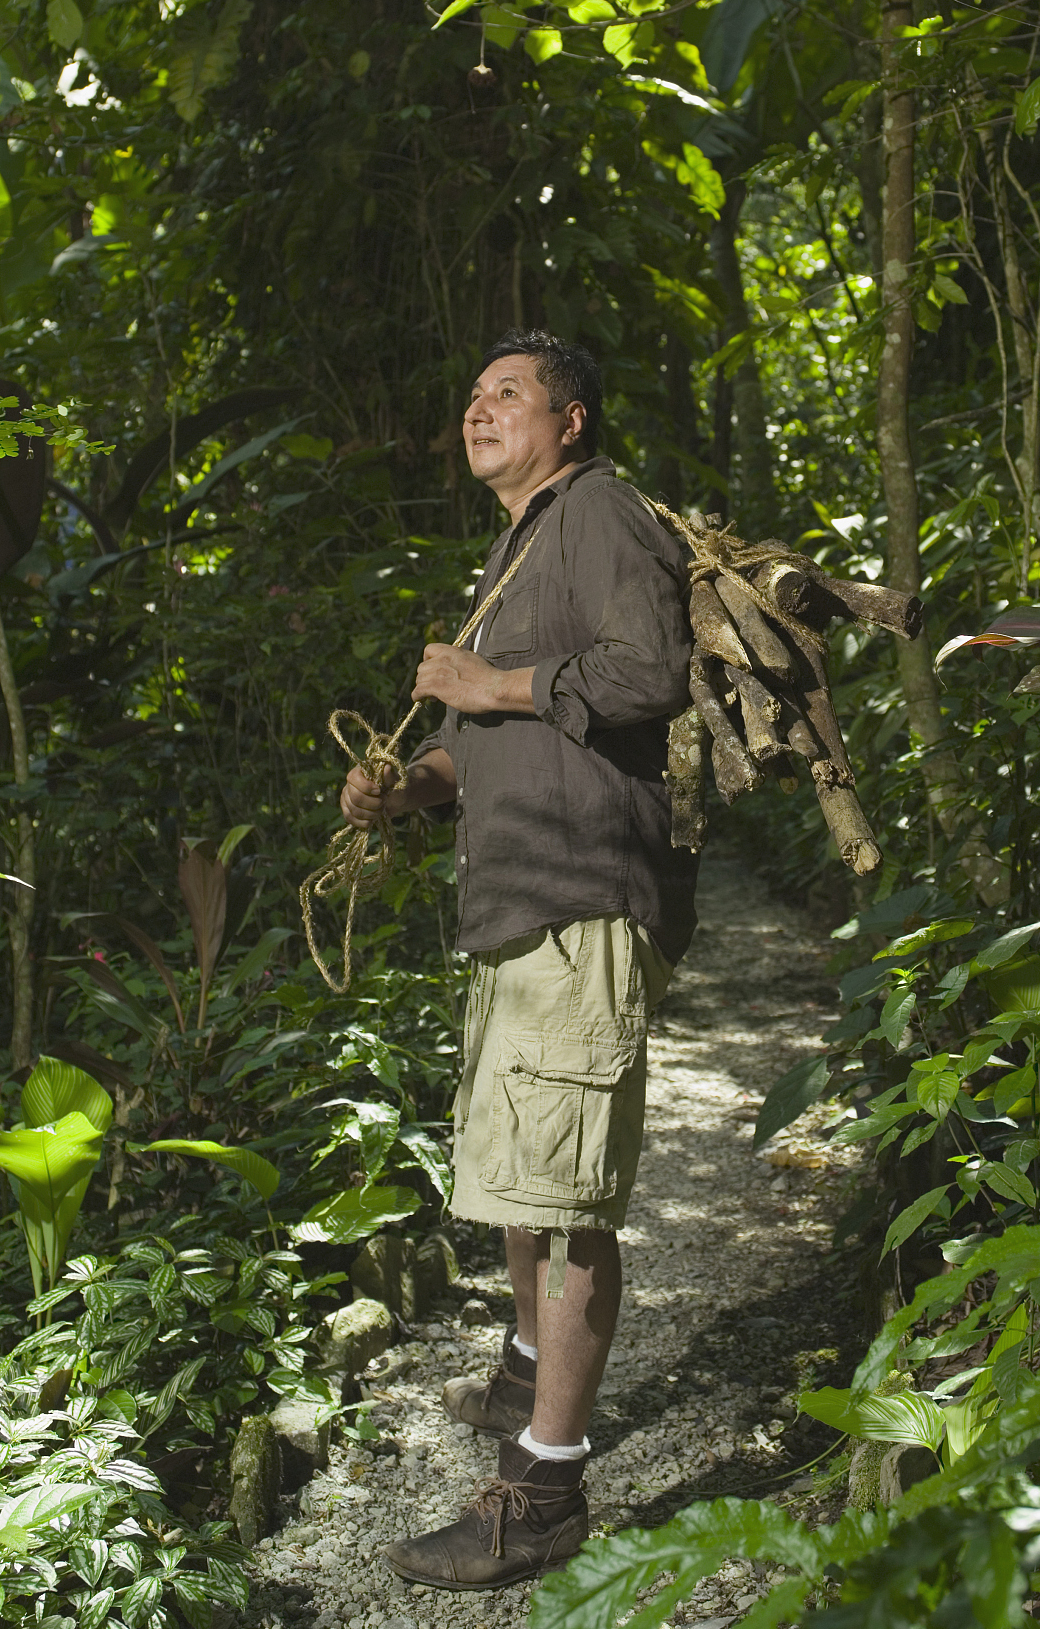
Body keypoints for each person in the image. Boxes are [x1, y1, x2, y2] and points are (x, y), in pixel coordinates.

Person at [339, 329, 699, 1592]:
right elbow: (470, 745)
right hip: (509, 910)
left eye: (508, 393)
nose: (476, 410)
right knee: (514, 1181)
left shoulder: (599, 512)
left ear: (574, 419)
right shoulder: (511, 550)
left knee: (563, 1203)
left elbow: (651, 670)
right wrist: (405, 788)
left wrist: (494, 687)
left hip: (583, 894)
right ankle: (519, 1375)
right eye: (472, 394)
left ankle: (544, 1487)